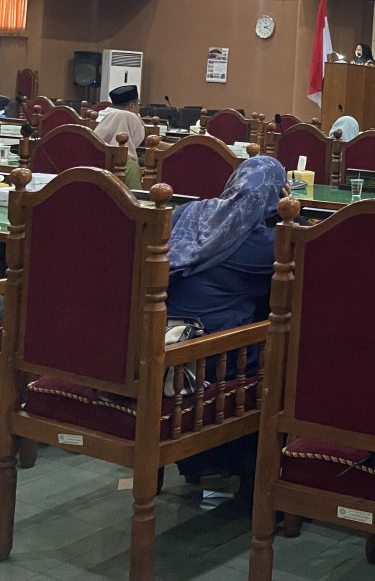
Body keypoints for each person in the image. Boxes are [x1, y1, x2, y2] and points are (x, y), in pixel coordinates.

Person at [166, 156, 289, 498]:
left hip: (163, 345)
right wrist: (287, 212)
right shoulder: (266, 245)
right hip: (210, 358)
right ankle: (252, 474)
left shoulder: (189, 212)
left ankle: (198, 462)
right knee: (286, 355)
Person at [94, 84, 145, 188]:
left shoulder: (91, 158)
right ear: (131, 106)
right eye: (138, 104)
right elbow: (136, 201)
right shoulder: (130, 166)